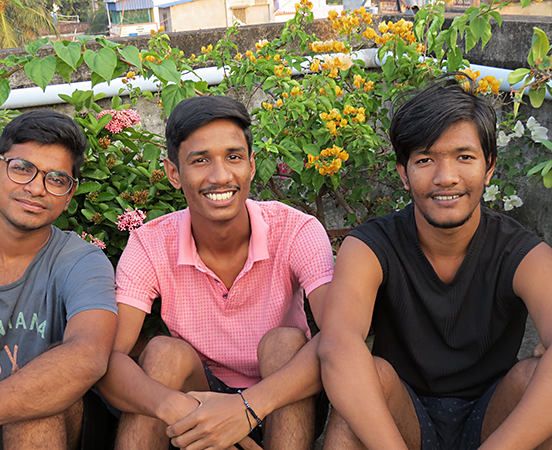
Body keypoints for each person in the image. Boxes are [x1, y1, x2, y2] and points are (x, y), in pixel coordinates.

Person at [318, 75, 552, 449]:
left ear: (489, 167)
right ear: (404, 173)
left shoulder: (523, 253)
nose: (446, 178)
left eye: (464, 157)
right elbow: (338, 345)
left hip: (493, 419)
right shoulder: (370, 246)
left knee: (535, 380)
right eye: (426, 160)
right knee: (362, 385)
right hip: (402, 419)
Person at [97, 95, 335, 449]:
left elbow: (340, 337)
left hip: (284, 395)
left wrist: (246, 408)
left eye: (233, 157)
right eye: (200, 160)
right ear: (173, 173)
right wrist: (178, 407)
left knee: (284, 343)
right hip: (199, 398)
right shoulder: (150, 243)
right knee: (164, 354)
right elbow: (106, 358)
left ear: (251, 166)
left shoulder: (296, 230)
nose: (220, 176)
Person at [0, 111, 118, 449]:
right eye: (22, 168)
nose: (36, 188)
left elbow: (88, 354)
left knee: (36, 402)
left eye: (56, 179)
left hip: (46, 430)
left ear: (69, 195)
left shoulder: (81, 261)